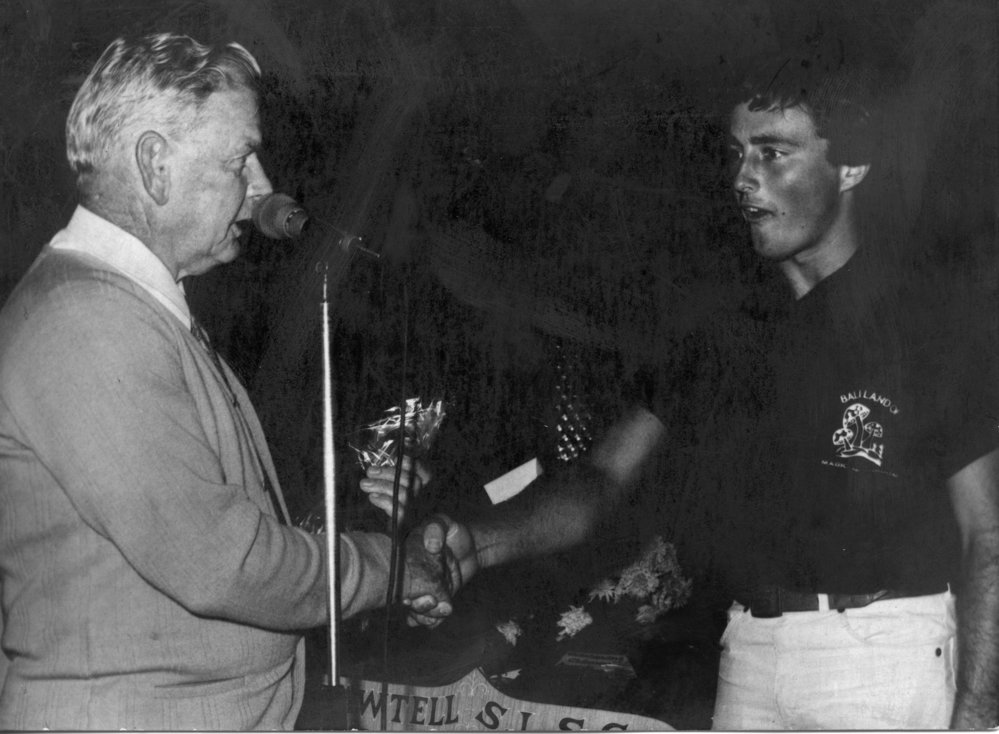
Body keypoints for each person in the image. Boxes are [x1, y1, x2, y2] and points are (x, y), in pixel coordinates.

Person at [371, 50, 999, 729]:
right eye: (735, 155)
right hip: (749, 651)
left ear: (850, 166)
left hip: (883, 654)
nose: (742, 179)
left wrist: (978, 715)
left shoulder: (927, 323)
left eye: (773, 154)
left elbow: (987, 531)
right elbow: (600, 482)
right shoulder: (724, 330)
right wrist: (477, 540)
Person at [0, 33, 455, 731]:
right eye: (241, 157)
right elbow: (221, 562)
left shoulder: (135, 307)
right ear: (155, 165)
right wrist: (380, 566)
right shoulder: (85, 318)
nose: (263, 188)